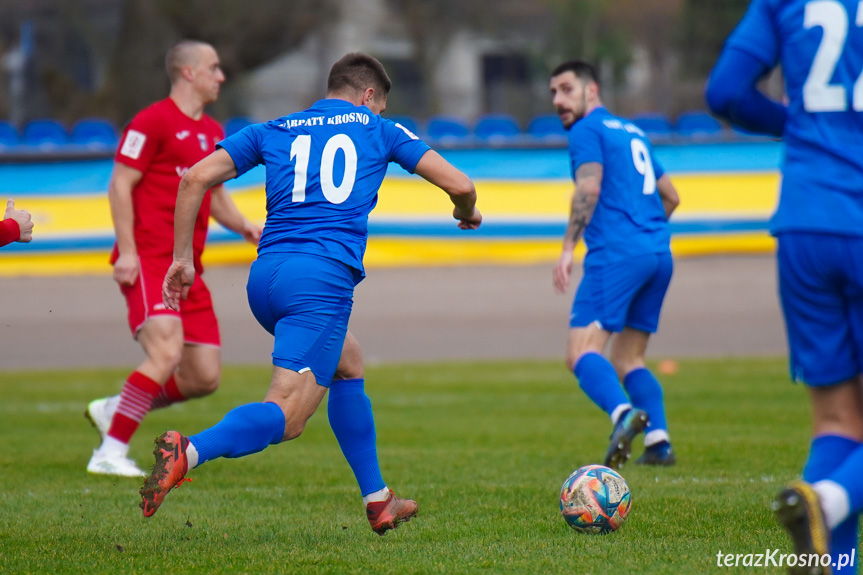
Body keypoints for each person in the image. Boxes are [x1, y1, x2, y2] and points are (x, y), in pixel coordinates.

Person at [138, 52, 481, 535]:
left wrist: (182, 260)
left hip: (266, 277)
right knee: (289, 414)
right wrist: (466, 211)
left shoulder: (274, 128)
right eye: (378, 106)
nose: (377, 114)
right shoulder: (380, 129)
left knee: (349, 362)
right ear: (367, 96)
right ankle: (189, 450)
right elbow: (460, 184)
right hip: (320, 282)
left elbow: (194, 178)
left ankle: (378, 500)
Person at [707, 1, 863, 570]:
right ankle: (829, 498)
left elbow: (725, 92)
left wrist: (797, 126)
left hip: (804, 220)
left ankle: (824, 559)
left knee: (838, 423)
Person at [85, 40, 261, 477]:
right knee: (165, 352)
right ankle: (108, 453)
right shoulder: (151, 122)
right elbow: (119, 185)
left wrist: (243, 226)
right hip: (150, 257)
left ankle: (116, 408)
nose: (221, 76)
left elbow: (215, 195)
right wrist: (127, 252)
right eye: (214, 68)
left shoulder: (213, 132)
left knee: (204, 377)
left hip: (187, 267)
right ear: (187, 72)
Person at [549, 61, 680, 470]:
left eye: (567, 89)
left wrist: (569, 248)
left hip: (617, 255)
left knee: (580, 354)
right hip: (658, 255)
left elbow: (589, 185)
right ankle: (658, 442)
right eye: (553, 92)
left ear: (593, 90)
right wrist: (645, 235)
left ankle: (623, 417)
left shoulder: (588, 130)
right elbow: (671, 197)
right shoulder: (633, 131)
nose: (558, 100)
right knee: (628, 359)